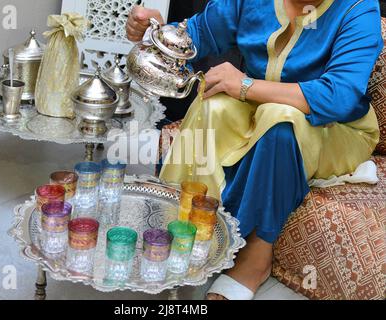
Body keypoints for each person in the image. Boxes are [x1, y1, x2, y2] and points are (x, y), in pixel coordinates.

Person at [127, 0, 383, 300]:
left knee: (280, 120)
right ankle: (187, 225)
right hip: (258, 111)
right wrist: (158, 32)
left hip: (337, 130)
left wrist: (246, 85)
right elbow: (197, 35)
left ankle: (254, 258)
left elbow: (338, 96)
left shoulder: (358, 8)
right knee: (213, 103)